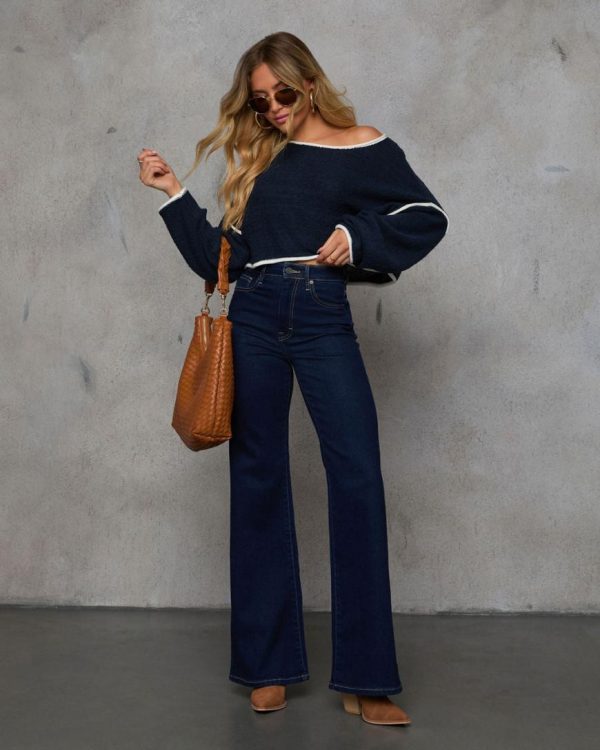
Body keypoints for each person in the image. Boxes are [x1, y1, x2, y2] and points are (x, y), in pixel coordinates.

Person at [138, 31, 448, 727]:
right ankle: (267, 665)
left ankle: (367, 678)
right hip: (253, 317)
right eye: (259, 100)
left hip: (320, 315)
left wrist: (358, 239)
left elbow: (426, 217)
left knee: (357, 477)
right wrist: (172, 194)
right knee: (258, 479)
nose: (273, 108)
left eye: (282, 93)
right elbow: (225, 261)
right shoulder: (262, 158)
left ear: (309, 82)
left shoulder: (362, 144)